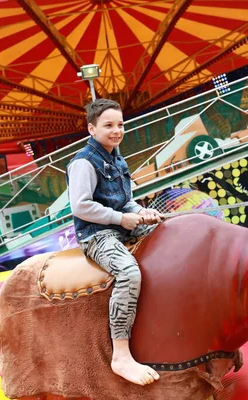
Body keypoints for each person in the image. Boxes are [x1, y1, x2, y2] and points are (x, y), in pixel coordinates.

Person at [66, 98, 164, 386]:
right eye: (108, 125)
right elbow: (80, 206)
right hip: (96, 235)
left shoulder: (118, 159)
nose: (116, 130)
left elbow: (126, 202)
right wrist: (121, 219)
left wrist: (140, 212)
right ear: (91, 129)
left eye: (120, 124)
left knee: (168, 238)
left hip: (122, 228)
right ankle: (120, 354)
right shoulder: (83, 162)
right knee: (129, 272)